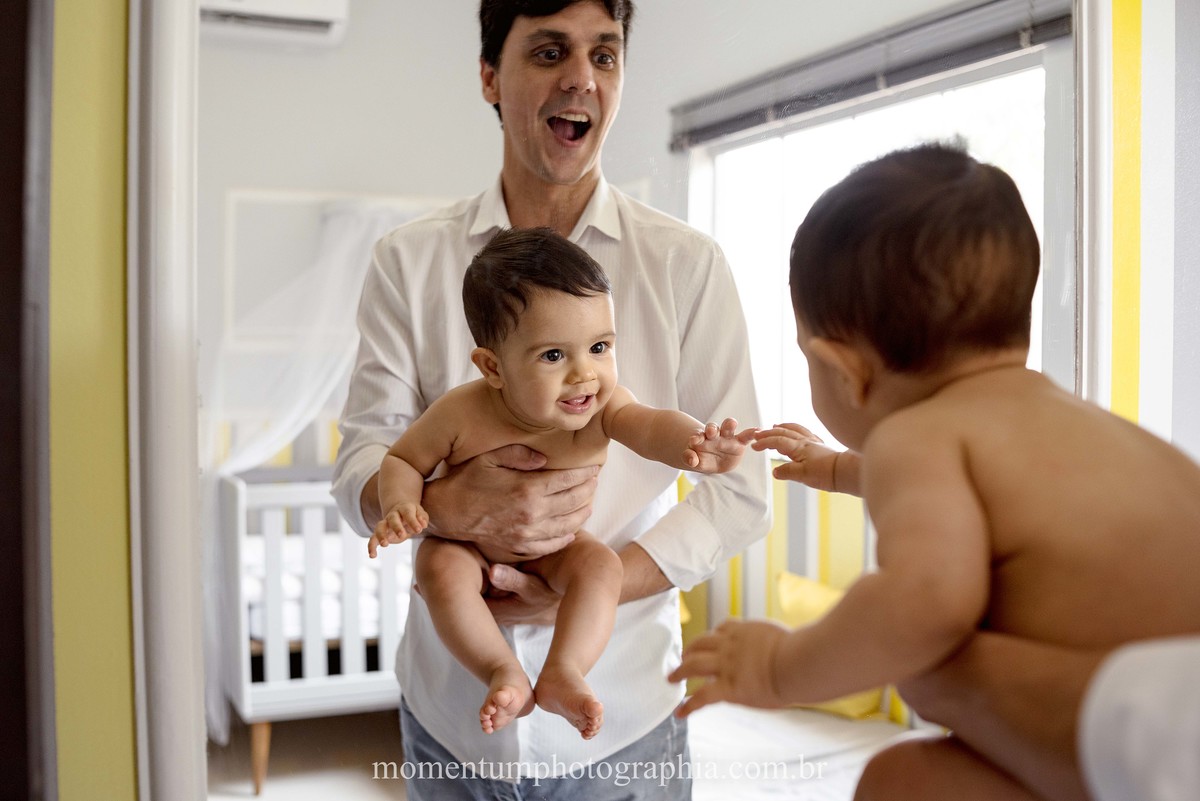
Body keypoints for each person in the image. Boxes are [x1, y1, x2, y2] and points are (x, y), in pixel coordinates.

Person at [667, 143, 1200, 800]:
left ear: (843, 369)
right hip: (1158, 728)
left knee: (900, 780)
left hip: (1130, 742)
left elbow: (927, 603)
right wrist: (836, 468)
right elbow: (981, 499)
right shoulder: (1060, 418)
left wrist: (780, 667)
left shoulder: (914, 439)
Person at [332, 0, 771, 797]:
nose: (581, 79)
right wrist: (443, 510)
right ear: (490, 77)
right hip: (449, 719)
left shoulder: (686, 265)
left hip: (625, 716)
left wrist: (584, 584)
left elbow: (739, 494)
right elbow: (364, 458)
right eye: (548, 53)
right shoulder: (408, 262)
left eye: (605, 56)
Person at [367, 227, 754, 740]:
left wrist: (698, 444)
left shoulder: (602, 408)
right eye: (553, 356)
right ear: (492, 367)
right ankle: (499, 669)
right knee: (438, 566)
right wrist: (401, 504)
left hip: (558, 548)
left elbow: (651, 424)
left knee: (600, 566)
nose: (584, 375)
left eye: (599, 347)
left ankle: (563, 669)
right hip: (467, 547)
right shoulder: (460, 412)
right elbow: (401, 460)